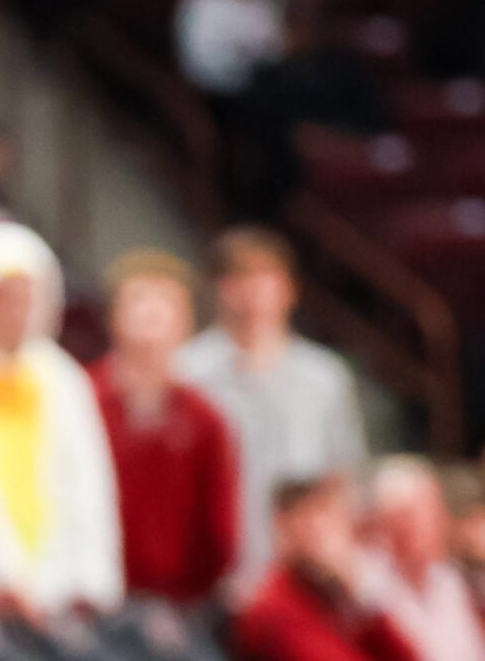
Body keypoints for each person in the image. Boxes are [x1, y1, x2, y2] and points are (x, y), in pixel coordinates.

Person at [0, 222, 122, 619]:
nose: (17, 311)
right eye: (4, 298)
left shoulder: (62, 379)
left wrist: (94, 581)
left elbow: (89, 484)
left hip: (61, 586)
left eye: (27, 298)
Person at [176, 229, 366, 584]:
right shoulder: (187, 374)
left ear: (288, 289)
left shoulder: (324, 376)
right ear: (218, 289)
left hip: (302, 569)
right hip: (216, 565)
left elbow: (343, 476)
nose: (251, 292)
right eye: (238, 278)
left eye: (263, 277)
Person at [90, 250, 239, 607]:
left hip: (179, 604)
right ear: (113, 317)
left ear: (185, 322)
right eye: (139, 301)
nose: (151, 314)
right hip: (93, 597)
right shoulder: (79, 400)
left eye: (165, 303)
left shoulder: (206, 419)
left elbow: (220, 528)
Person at [230, 477, 420, 661]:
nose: (342, 539)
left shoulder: (330, 598)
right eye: (324, 523)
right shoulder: (271, 608)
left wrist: (356, 590)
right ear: (289, 528)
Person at [360, 457, 485, 661]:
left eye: (431, 510)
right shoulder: (369, 587)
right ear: (385, 521)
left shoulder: (449, 579)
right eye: (408, 515)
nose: (427, 522)